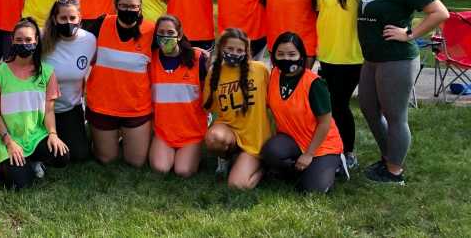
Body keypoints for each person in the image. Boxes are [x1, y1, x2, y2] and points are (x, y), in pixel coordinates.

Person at [357, 0, 448, 185]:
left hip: (396, 59)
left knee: (395, 115)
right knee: (368, 108)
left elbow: (440, 12)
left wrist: (409, 34)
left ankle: (394, 171)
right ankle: (388, 157)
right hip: (372, 58)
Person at [0, 18, 70, 189]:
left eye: (28, 40)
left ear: (36, 41)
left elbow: (48, 111)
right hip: (8, 137)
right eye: (19, 40)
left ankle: (32, 160)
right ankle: (9, 163)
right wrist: (9, 142)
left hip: (35, 135)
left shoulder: (47, 72)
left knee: (62, 156)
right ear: (12, 41)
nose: (23, 44)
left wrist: (53, 134)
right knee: (22, 183)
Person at [261, 32, 346, 194]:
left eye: (292, 54)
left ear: (301, 55)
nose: (286, 58)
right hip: (292, 138)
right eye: (281, 54)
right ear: (274, 56)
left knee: (312, 191)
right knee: (270, 152)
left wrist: (309, 154)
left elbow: (325, 123)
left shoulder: (314, 83)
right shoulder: (274, 75)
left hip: (321, 144)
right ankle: (302, 168)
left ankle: (335, 164)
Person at [312, 0, 370, 169]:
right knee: (330, 105)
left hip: (351, 55)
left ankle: (348, 151)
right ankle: (332, 146)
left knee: (339, 104)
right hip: (326, 54)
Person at [85, 0, 154, 167]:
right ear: (116, 7)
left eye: (133, 7)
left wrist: (203, 54)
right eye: (124, 6)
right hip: (102, 105)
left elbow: (177, 44)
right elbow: (78, 43)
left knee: (136, 162)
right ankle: (106, 137)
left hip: (136, 106)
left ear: (140, 8)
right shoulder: (102, 23)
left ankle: (126, 136)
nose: (128, 10)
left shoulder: (151, 30)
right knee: (107, 159)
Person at [203, 28, 272, 190]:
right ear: (221, 49)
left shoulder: (260, 70)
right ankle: (225, 158)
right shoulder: (215, 72)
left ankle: (263, 167)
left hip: (254, 138)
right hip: (230, 131)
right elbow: (208, 106)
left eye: (239, 50)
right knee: (214, 138)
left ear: (247, 51)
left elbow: (271, 102)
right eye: (230, 49)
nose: (234, 53)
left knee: (236, 185)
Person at [148, 15, 208, 177]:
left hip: (191, 131)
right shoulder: (150, 59)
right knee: (160, 169)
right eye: (161, 33)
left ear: (179, 35)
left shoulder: (198, 58)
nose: (165, 37)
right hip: (163, 131)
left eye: (170, 32)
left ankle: (194, 153)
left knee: (183, 171)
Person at [41, 0, 96, 162]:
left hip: (70, 109)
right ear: (54, 19)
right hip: (40, 110)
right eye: (63, 18)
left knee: (80, 156)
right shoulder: (41, 39)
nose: (68, 22)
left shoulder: (90, 40)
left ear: (80, 18)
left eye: (72, 18)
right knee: (55, 156)